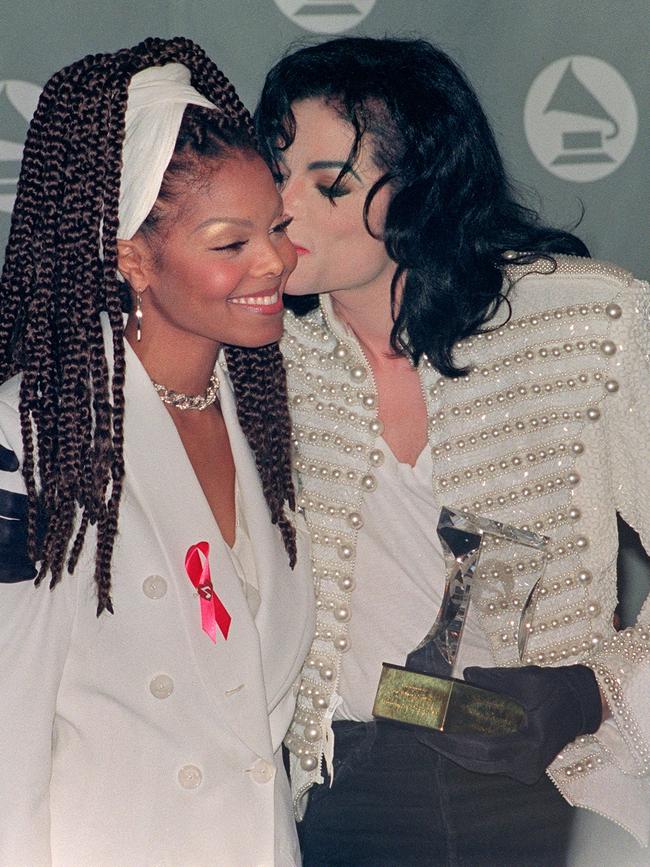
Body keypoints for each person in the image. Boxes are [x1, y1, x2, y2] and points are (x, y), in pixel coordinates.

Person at [254, 36, 650, 865]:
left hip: (560, 785)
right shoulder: (259, 361)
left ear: (423, 190)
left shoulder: (588, 323)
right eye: (276, 169)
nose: (282, 205)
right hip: (336, 794)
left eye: (329, 183)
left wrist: (593, 690)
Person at [0, 37, 314, 866]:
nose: (276, 260)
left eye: (276, 228)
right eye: (230, 242)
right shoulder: (30, 438)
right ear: (131, 258)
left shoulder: (270, 424)